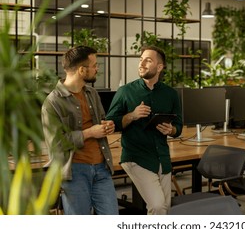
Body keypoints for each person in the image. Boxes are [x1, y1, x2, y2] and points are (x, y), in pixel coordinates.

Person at [41, 46, 119, 215]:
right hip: (74, 172)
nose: (97, 68)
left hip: (101, 167)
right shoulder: (52, 102)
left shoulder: (92, 93)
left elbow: (100, 122)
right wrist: (90, 133)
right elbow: (56, 144)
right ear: (82, 70)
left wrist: (107, 126)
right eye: (94, 65)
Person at [106, 45, 183, 215]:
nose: (142, 63)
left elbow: (179, 126)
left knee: (165, 208)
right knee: (157, 206)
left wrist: (171, 130)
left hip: (162, 158)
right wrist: (132, 115)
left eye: (148, 60)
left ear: (160, 67)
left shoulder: (170, 94)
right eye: (141, 59)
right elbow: (109, 124)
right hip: (136, 157)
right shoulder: (125, 91)